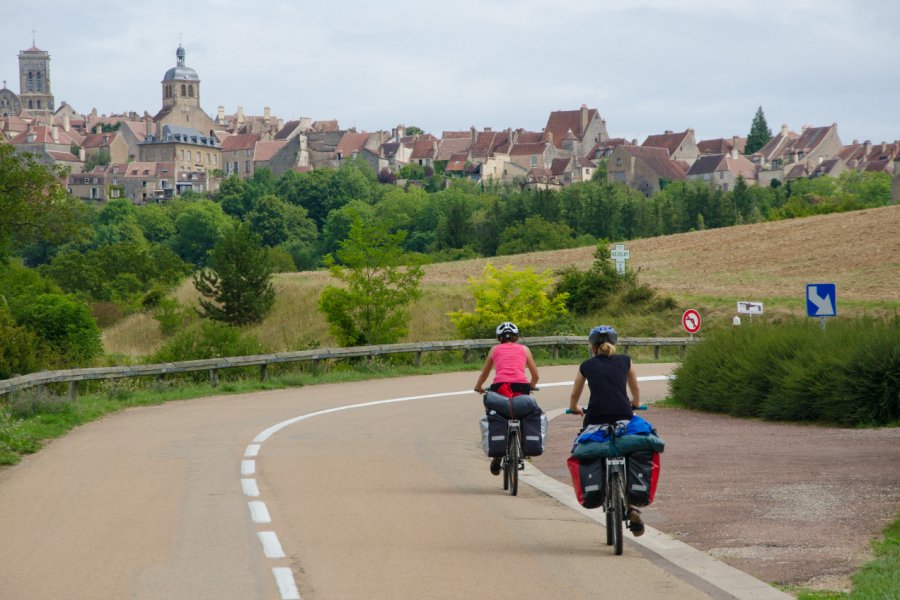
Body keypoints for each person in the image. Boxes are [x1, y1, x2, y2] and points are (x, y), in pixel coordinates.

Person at [568, 325, 645, 536]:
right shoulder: (625, 361)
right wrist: (635, 403)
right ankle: (631, 505)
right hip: (623, 416)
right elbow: (635, 389)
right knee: (629, 450)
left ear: (592, 347)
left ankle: (600, 486)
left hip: (595, 417)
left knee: (594, 448)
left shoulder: (586, 365)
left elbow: (575, 394)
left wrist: (575, 408)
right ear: (615, 343)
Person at [474, 321, 539, 475]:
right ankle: (525, 445)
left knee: (496, 413)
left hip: (499, 388)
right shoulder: (525, 349)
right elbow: (535, 375)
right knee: (525, 412)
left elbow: (485, 373)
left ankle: (497, 454)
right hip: (521, 388)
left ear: (499, 338)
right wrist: (531, 385)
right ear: (516, 337)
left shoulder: (494, 349)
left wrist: (478, 387)